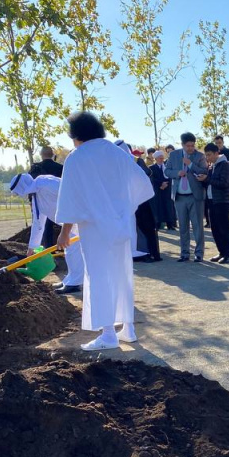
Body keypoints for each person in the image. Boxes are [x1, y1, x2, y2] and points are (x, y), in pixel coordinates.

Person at [55, 111, 153, 351]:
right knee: (122, 274)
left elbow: (70, 197)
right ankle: (127, 328)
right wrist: (123, 208)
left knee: (99, 277)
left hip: (95, 228)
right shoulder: (116, 152)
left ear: (76, 135)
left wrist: (65, 232)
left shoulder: (77, 157)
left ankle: (108, 333)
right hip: (120, 224)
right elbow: (141, 184)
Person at [9, 172, 85, 294]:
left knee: (84, 252)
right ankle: (72, 281)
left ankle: (75, 282)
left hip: (82, 219)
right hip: (71, 224)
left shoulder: (46, 184)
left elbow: (71, 197)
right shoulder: (36, 197)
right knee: (71, 251)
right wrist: (32, 248)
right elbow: (38, 223)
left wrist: (64, 233)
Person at [164, 133, 208, 262]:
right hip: (179, 197)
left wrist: (190, 165)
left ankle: (199, 253)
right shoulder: (173, 155)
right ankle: (184, 253)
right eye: (188, 146)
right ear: (182, 145)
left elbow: (204, 172)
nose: (190, 148)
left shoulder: (200, 156)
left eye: (193, 145)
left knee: (197, 226)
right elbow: (167, 171)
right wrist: (177, 173)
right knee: (183, 227)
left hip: (195, 197)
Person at [203, 143, 229, 263]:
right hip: (211, 200)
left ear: (217, 153)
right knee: (215, 228)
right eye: (206, 155)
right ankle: (221, 252)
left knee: (224, 228)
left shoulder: (225, 165)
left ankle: (228, 254)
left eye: (209, 154)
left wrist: (207, 179)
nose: (208, 157)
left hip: (222, 201)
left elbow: (224, 183)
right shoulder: (212, 166)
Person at [148, 147, 176, 231]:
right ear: (156, 159)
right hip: (157, 189)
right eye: (159, 158)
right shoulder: (151, 168)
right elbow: (152, 178)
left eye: (162, 158)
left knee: (168, 207)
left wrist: (166, 184)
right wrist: (161, 184)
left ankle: (170, 224)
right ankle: (158, 224)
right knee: (158, 207)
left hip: (167, 189)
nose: (161, 159)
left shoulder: (166, 166)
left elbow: (170, 176)